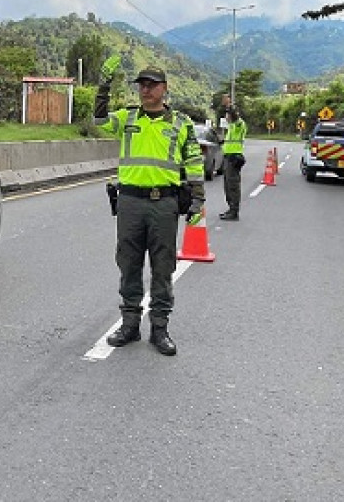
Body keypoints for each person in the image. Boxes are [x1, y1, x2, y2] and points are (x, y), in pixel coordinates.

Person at [94, 55, 205, 356]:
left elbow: (194, 162)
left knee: (162, 266)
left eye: (152, 85)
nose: (146, 90)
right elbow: (99, 120)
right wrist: (103, 87)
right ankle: (129, 325)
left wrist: (197, 200)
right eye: (142, 85)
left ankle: (160, 328)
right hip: (129, 202)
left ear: (165, 89)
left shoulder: (181, 124)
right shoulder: (127, 118)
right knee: (129, 264)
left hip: (164, 204)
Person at [220, 106, 247, 221]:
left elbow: (237, 121)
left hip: (234, 157)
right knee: (227, 185)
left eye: (227, 114)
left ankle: (234, 211)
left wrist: (232, 111)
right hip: (228, 157)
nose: (226, 117)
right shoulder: (231, 126)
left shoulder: (239, 124)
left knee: (233, 185)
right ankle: (230, 208)